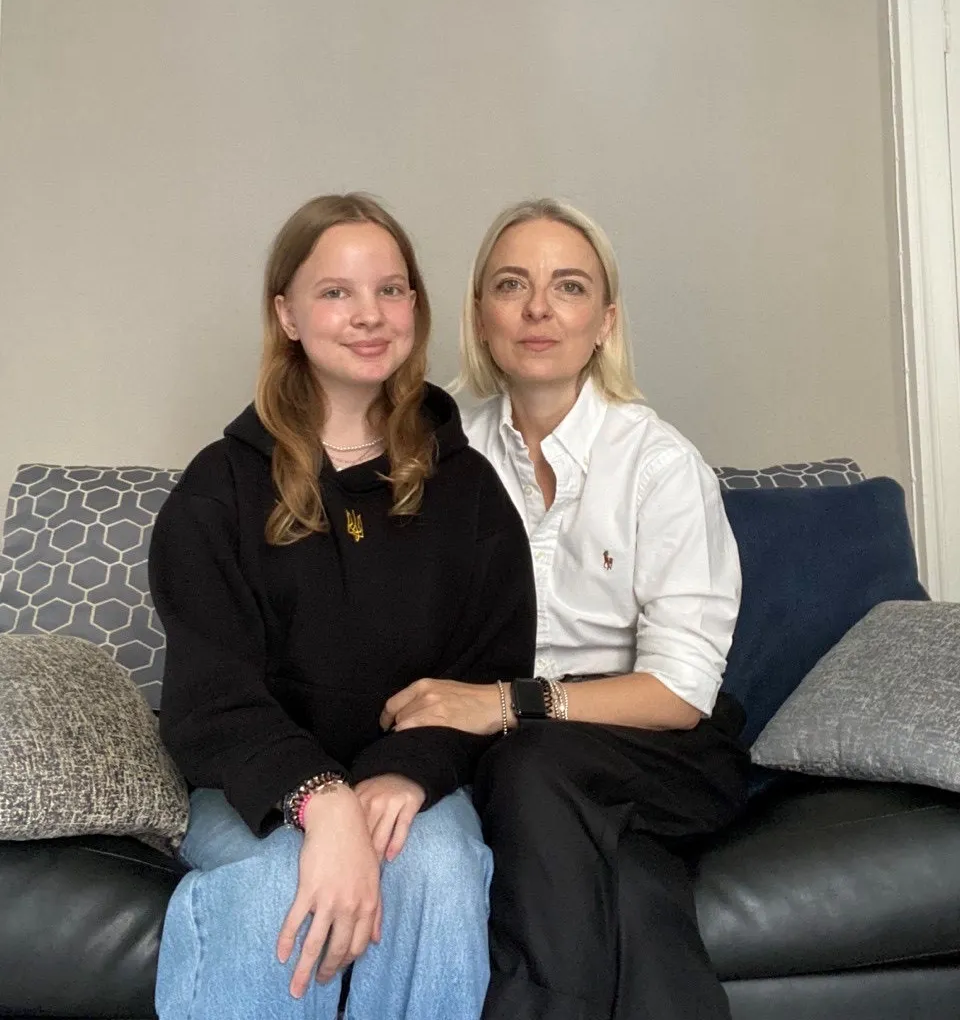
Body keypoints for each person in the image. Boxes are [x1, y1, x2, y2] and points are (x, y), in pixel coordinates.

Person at [149, 193, 536, 1020]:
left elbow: (489, 670)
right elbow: (209, 699)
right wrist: (319, 800)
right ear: (286, 313)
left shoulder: (464, 485)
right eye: (337, 293)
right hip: (257, 789)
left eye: (391, 290)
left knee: (435, 869)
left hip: (413, 783)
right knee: (282, 888)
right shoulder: (219, 488)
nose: (369, 316)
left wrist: (409, 770)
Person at [379, 198, 748, 1020]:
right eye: (512, 285)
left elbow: (681, 693)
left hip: (657, 748)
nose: (539, 308)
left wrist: (508, 704)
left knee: (530, 762)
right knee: (635, 889)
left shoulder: (659, 465)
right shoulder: (438, 449)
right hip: (511, 755)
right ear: (481, 315)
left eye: (569, 287)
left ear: (605, 321)